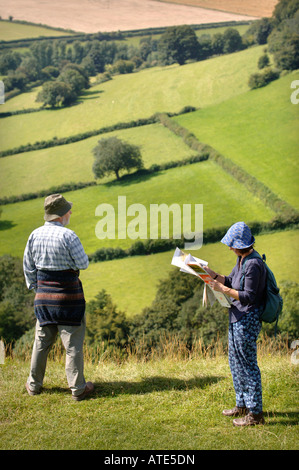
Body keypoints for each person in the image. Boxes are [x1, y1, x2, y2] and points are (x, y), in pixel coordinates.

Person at [23, 193, 94, 401]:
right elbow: (83, 264)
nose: (70, 212)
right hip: (69, 299)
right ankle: (78, 389)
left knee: (41, 343)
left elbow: (28, 267)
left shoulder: (34, 235)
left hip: (43, 297)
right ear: (62, 214)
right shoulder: (69, 236)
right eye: (68, 210)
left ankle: (34, 385)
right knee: (72, 346)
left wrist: (37, 287)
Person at [205, 222, 266, 426]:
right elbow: (231, 280)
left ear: (240, 244)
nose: (229, 247)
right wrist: (212, 274)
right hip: (236, 317)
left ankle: (255, 414)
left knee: (248, 366)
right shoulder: (242, 260)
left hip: (247, 319)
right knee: (235, 362)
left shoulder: (254, 264)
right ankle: (242, 404)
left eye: (231, 244)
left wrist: (220, 288)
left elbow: (248, 296)